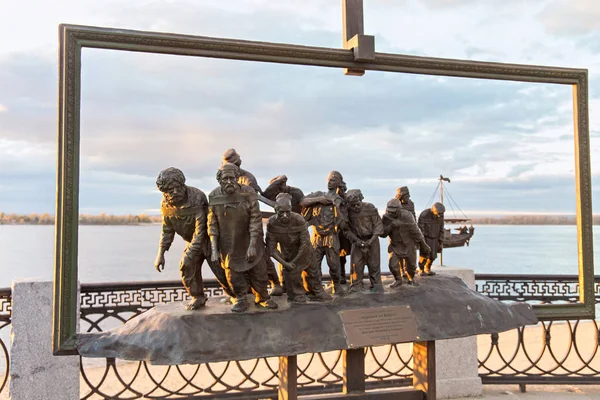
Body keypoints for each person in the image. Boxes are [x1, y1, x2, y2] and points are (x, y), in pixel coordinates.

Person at [154, 167, 234, 310]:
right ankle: (197, 296)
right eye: (170, 190)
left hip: (209, 240)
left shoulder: (197, 196)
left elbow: (201, 229)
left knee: (222, 271)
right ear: (164, 192)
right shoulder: (165, 204)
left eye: (178, 187)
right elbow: (167, 230)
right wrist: (161, 254)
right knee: (187, 267)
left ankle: (237, 295)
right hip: (192, 242)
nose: (176, 192)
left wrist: (191, 252)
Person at [207, 163, 278, 312]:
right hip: (228, 245)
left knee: (259, 272)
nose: (228, 182)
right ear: (219, 180)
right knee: (233, 275)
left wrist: (253, 244)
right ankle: (240, 298)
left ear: (237, 178)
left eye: (232, 178)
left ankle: (263, 297)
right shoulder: (214, 196)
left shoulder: (248, 192)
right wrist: (214, 248)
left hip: (250, 240)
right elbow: (212, 224)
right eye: (225, 179)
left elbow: (255, 220)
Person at [221, 148, 284, 296]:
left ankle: (275, 282)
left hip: (250, 223)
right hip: (234, 226)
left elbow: (253, 202)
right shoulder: (227, 178)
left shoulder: (248, 178)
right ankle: (244, 289)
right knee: (236, 257)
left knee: (259, 254)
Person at [266, 193, 331, 303]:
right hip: (288, 254)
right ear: (276, 210)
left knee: (313, 274)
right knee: (293, 283)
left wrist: (295, 261)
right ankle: (297, 296)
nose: (285, 215)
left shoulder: (298, 219)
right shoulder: (272, 223)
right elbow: (271, 249)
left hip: (305, 252)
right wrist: (285, 263)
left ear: (291, 209)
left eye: (287, 212)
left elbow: (305, 243)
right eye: (281, 212)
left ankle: (316, 293)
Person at [300, 171, 348, 295]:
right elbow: (303, 201)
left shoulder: (340, 201)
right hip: (317, 236)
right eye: (328, 180)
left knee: (334, 264)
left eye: (332, 180)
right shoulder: (318, 195)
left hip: (331, 236)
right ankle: (315, 288)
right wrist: (320, 200)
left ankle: (336, 285)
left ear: (338, 183)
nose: (329, 182)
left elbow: (342, 223)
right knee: (313, 264)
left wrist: (336, 207)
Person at [381, 199, 430, 287]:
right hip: (395, 245)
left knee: (411, 266)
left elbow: (416, 231)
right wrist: (391, 226)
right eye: (389, 211)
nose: (391, 214)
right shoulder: (386, 218)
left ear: (399, 209)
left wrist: (423, 244)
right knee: (392, 265)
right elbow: (383, 234)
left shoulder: (407, 215)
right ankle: (398, 279)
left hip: (409, 244)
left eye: (393, 212)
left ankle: (411, 278)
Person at [344, 189, 384, 292]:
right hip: (357, 241)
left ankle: (376, 285)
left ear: (361, 199)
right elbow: (346, 230)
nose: (355, 207)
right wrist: (357, 241)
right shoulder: (347, 212)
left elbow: (378, 225)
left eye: (357, 204)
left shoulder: (369, 207)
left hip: (372, 240)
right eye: (352, 205)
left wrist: (371, 241)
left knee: (374, 264)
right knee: (356, 265)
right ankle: (356, 285)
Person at [417, 202, 446, 276]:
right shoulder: (425, 215)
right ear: (433, 211)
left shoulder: (440, 216)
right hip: (426, 238)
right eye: (438, 213)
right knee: (424, 255)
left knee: (433, 256)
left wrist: (441, 240)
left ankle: (428, 268)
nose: (440, 215)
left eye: (441, 213)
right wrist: (422, 241)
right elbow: (420, 229)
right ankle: (421, 269)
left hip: (435, 238)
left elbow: (441, 229)